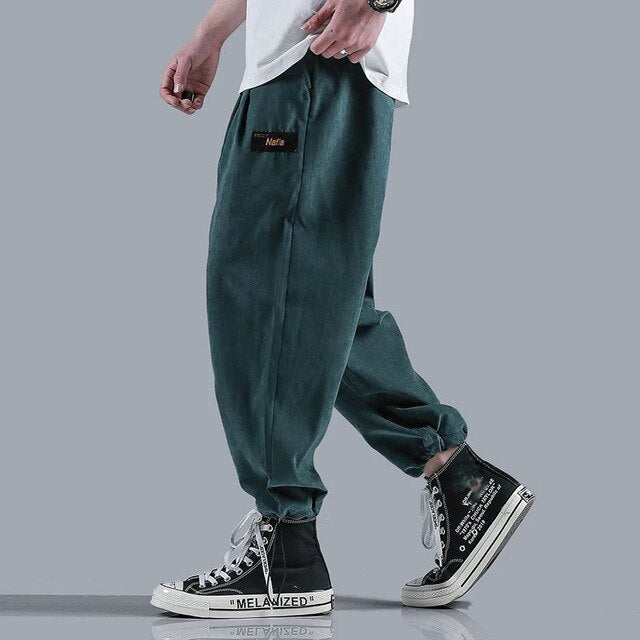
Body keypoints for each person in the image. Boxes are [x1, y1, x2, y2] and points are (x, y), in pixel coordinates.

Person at [150, 0, 534, 619]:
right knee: (319, 298)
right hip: (301, 62)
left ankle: (287, 547)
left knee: (264, 295)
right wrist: (210, 36)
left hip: (318, 55)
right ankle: (460, 478)